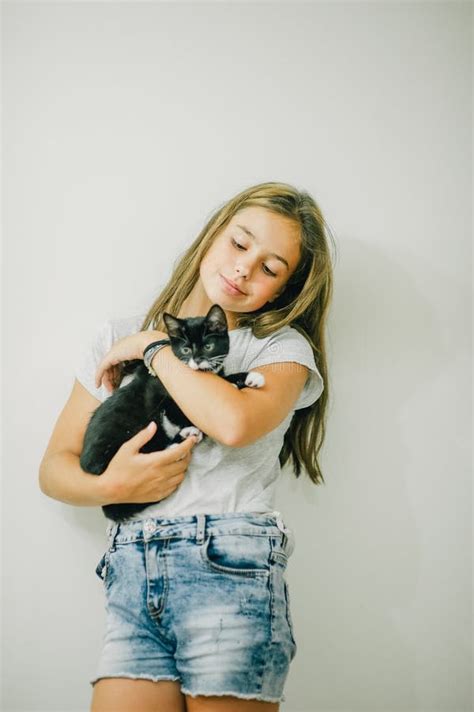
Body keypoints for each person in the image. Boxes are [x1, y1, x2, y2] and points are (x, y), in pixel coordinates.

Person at [39, 181, 335, 712]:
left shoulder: (279, 349)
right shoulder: (117, 334)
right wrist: (112, 485)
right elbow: (54, 469)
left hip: (228, 567)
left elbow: (234, 422)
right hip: (131, 568)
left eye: (271, 268)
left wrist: (153, 348)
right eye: (240, 244)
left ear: (283, 290)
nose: (245, 269)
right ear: (211, 237)